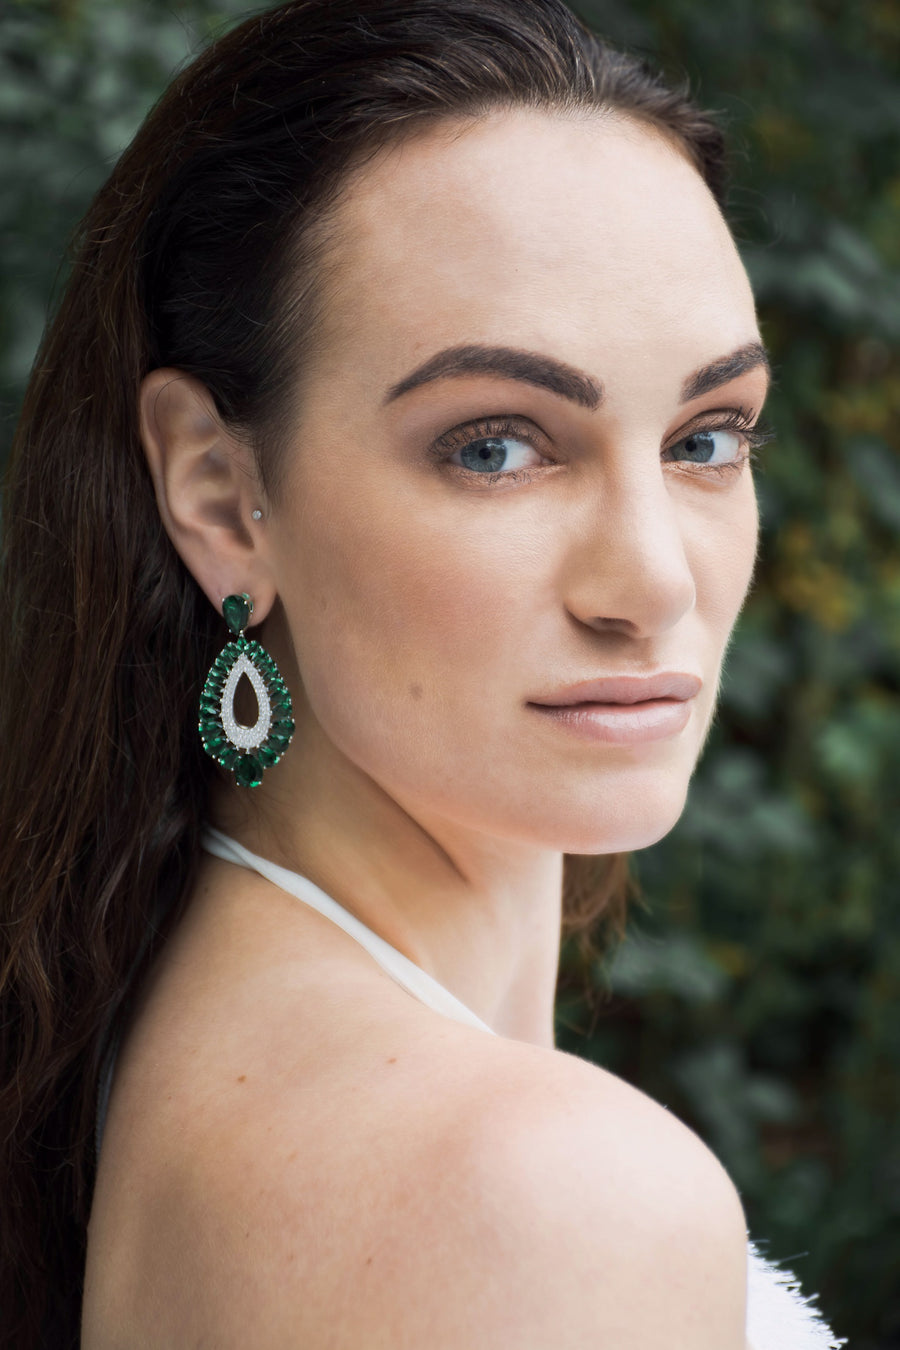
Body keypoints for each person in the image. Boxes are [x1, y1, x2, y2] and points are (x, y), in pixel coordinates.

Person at [0, 1, 847, 1346]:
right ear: (219, 495)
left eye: (707, 437)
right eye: (496, 446)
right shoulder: (539, 1192)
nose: (653, 585)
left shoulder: (155, 1027)